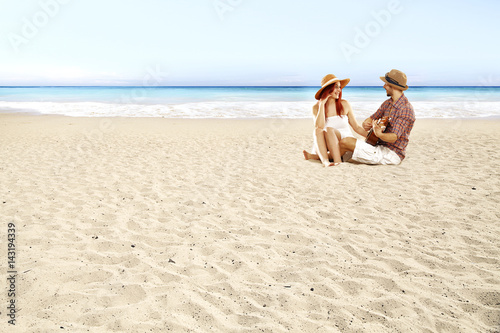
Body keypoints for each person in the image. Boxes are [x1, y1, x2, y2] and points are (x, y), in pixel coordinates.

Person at [339, 69, 415, 165]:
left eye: (386, 84)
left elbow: (393, 137)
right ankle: (325, 157)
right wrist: (366, 123)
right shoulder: (387, 103)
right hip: (377, 146)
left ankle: (322, 157)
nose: (384, 86)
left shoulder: (406, 109)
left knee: (345, 142)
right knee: (344, 150)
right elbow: (372, 117)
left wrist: (379, 135)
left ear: (393, 86)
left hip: (391, 154)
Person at [303, 74, 367, 167]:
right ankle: (325, 161)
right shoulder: (316, 108)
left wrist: (374, 137)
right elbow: (319, 127)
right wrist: (322, 105)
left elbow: (356, 127)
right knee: (317, 130)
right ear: (328, 89)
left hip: (343, 141)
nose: (339, 90)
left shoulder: (344, 104)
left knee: (329, 129)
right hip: (325, 145)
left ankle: (336, 160)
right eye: (336, 87)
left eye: (340, 87)